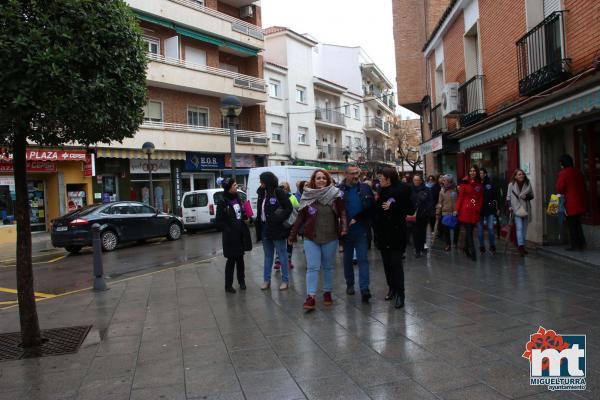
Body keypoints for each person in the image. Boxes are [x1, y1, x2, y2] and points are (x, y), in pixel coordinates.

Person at [289, 170, 347, 310]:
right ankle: (311, 297)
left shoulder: (335, 195)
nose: (321, 180)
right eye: (318, 178)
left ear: (327, 180)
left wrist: (344, 227)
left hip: (330, 237)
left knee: (328, 266)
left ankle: (327, 292)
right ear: (314, 180)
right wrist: (292, 235)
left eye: (323, 178)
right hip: (311, 237)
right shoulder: (308, 195)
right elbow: (300, 218)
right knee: (312, 267)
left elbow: (342, 212)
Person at [373, 167, 413, 308]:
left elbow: (410, 209)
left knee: (396, 264)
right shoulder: (380, 190)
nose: (379, 181)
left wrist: (393, 205)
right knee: (387, 265)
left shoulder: (404, 189)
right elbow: (376, 210)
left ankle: (400, 294)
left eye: (381, 178)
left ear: (388, 179)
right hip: (383, 234)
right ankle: (392, 288)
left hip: (396, 233)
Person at [338, 164, 374, 302]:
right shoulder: (339, 190)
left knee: (363, 259)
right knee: (347, 260)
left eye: (357, 173)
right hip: (345, 232)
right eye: (352, 173)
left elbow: (371, 208)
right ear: (345, 174)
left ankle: (365, 289)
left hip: (362, 230)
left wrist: (360, 218)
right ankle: (350, 284)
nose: (355, 176)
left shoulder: (365, 188)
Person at [256, 171, 293, 290]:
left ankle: (285, 281)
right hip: (265, 227)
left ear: (267, 181)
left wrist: (278, 218)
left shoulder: (278, 192)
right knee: (268, 255)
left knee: (282, 254)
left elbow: (288, 208)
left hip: (277, 228)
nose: (260, 183)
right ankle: (266, 280)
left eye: (262, 180)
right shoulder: (262, 193)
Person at [215, 178, 252, 293]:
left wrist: (246, 218)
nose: (237, 187)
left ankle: (242, 282)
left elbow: (241, 214)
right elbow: (218, 221)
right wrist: (228, 230)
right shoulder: (223, 202)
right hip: (230, 237)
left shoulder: (238, 199)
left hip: (240, 234)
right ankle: (228, 285)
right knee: (231, 261)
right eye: (235, 185)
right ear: (229, 187)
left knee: (240, 260)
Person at [556, 154, 586, 251]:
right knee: (578, 224)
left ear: (562, 164)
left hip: (570, 203)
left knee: (572, 224)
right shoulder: (578, 172)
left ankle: (575, 245)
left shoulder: (563, 173)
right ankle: (581, 243)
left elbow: (560, 188)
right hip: (580, 201)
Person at [456, 166, 483, 261]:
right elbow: (460, 197)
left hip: (474, 211)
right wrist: (457, 209)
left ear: (476, 172)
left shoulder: (479, 184)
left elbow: (480, 198)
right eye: (470, 171)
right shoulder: (464, 183)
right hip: (465, 211)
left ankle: (466, 248)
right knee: (469, 231)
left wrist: (478, 208)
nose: (472, 172)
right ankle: (473, 252)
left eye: (474, 171)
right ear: (468, 172)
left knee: (470, 231)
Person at [507, 169, 534, 256]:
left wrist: (526, 196)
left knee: (524, 229)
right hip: (516, 208)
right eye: (519, 174)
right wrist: (510, 206)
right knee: (519, 228)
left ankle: (522, 245)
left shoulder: (528, 184)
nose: (521, 176)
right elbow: (508, 197)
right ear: (515, 176)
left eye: (522, 174)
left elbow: (532, 196)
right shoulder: (511, 185)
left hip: (525, 209)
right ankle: (521, 247)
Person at [274, 181, 299, 270]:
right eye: (281, 188)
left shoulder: (292, 197)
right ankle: (278, 261)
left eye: (285, 188)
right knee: (280, 242)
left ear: (288, 189)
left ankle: (288, 260)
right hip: (280, 224)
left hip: (290, 223)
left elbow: (297, 208)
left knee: (289, 242)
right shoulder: (276, 197)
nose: (283, 189)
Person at [410, 174, 432, 258]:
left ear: (420, 180)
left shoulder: (426, 189)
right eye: (414, 180)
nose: (416, 181)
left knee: (422, 232)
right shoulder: (410, 189)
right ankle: (417, 250)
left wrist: (426, 210)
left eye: (417, 180)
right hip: (413, 215)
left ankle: (422, 246)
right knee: (415, 232)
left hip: (423, 214)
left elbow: (430, 201)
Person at [436, 174, 459, 251]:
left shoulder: (456, 189)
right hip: (445, 213)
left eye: (444, 180)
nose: (443, 182)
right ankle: (448, 244)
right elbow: (440, 203)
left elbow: (459, 200)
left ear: (449, 181)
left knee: (456, 228)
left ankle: (455, 242)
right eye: (443, 180)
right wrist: (438, 212)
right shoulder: (442, 191)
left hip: (455, 212)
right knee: (446, 229)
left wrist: (457, 210)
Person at [478, 168, 498, 255]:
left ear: (485, 174)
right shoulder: (476, 184)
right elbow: (472, 198)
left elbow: (495, 196)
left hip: (490, 209)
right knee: (480, 230)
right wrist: (474, 205)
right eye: (479, 173)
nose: (480, 175)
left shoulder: (490, 183)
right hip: (479, 210)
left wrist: (496, 206)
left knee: (490, 229)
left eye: (482, 173)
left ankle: (492, 246)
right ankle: (482, 247)